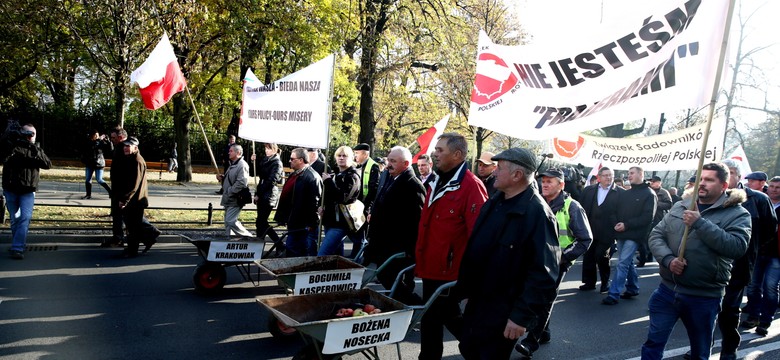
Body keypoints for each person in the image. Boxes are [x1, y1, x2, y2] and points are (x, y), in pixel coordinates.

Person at [456, 148, 560, 360]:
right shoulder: (496, 201)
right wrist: (467, 292)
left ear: (517, 175)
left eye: (500, 168)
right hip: (479, 303)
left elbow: (544, 273)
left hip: (504, 312)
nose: (494, 172)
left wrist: (520, 318)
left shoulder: (538, 214)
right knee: (468, 349)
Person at [640, 162, 751, 360]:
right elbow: (656, 235)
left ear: (724, 186)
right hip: (667, 290)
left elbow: (736, 247)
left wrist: (700, 223)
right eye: (700, 178)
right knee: (653, 343)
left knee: (700, 351)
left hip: (703, 296)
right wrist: (668, 259)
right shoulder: (681, 204)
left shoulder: (738, 214)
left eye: (709, 180)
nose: (702, 183)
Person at [415, 132, 488, 360]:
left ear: (457, 155)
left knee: (442, 315)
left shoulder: (471, 186)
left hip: (451, 271)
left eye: (439, 151)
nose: (434, 155)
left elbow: (479, 234)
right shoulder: (435, 180)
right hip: (430, 265)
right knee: (434, 317)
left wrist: (469, 274)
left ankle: (480, 351)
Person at [516, 168, 592, 358]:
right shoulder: (536, 202)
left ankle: (530, 342)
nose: (545, 184)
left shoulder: (572, 206)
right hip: (533, 262)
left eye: (550, 181)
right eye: (543, 181)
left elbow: (585, 239)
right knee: (533, 296)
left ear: (562, 184)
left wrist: (562, 258)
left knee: (544, 300)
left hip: (557, 264)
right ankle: (544, 332)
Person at [711, 160, 775, 357]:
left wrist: (749, 249)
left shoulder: (758, 200)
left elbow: (768, 230)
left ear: (739, 176)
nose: (726, 177)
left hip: (739, 265)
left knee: (729, 311)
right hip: (709, 264)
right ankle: (702, 346)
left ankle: (729, 350)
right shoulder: (708, 197)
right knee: (706, 311)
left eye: (730, 173)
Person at [362, 146, 426, 305]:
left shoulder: (413, 185)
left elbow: (416, 221)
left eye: (393, 161)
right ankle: (405, 306)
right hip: (383, 243)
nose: (388, 164)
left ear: (405, 163)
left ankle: (416, 306)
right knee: (386, 278)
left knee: (389, 278)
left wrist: (409, 250)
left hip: (397, 247)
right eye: (388, 160)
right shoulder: (390, 176)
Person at [602, 166, 656, 305]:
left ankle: (613, 294)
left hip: (635, 235)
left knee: (622, 263)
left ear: (641, 174)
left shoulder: (649, 194)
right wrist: (617, 224)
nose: (629, 176)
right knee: (627, 262)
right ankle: (632, 288)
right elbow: (614, 211)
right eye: (628, 173)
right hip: (621, 233)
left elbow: (647, 218)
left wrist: (627, 224)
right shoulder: (626, 194)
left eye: (631, 173)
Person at [2, 122, 52, 260]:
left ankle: (17, 247)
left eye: (33, 134)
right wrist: (10, 142)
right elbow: (3, 158)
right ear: (21, 134)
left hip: (28, 190)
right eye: (28, 134)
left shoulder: (35, 149)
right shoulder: (12, 146)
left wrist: (33, 148)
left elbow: (48, 164)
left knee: (25, 217)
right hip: (11, 188)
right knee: (15, 219)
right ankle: (19, 244)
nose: (31, 137)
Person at [742, 175, 780, 337]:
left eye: (778, 187)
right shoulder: (758, 201)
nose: (773, 189)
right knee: (752, 286)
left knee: (770, 288)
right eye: (772, 186)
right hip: (758, 252)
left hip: (777, 255)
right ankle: (753, 316)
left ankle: (765, 322)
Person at [113, 137, 160, 258]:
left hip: (136, 200)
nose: (125, 148)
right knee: (133, 226)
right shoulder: (131, 159)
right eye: (124, 146)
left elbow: (133, 184)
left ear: (135, 147)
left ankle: (133, 250)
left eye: (128, 146)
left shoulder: (137, 161)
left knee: (133, 228)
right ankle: (148, 238)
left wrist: (124, 200)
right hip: (134, 200)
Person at [579, 167, 624, 293]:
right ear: (599, 177)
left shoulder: (620, 192)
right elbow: (581, 207)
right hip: (589, 229)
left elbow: (623, 212)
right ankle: (589, 282)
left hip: (607, 231)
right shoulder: (589, 190)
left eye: (611, 175)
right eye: (605, 175)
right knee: (588, 256)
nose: (608, 178)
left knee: (601, 256)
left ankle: (605, 282)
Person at [274, 148, 322, 257]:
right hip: (293, 220)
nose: (289, 161)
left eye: (292, 159)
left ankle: (296, 271)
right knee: (294, 248)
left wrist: (312, 223)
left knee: (294, 248)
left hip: (301, 222)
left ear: (301, 160)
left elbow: (314, 202)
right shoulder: (295, 174)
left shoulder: (311, 177)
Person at [318, 146, 361, 256]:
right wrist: (321, 206)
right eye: (339, 156)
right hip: (329, 220)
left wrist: (328, 182)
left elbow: (343, 198)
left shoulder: (353, 176)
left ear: (351, 158)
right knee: (336, 255)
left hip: (341, 223)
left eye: (344, 156)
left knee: (323, 254)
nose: (341, 158)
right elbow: (327, 196)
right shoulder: (335, 175)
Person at [216, 144, 253, 237]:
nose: (229, 152)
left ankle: (248, 237)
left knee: (230, 220)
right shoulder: (233, 164)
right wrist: (223, 178)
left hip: (235, 198)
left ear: (238, 153)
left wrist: (230, 191)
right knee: (227, 222)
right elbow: (233, 179)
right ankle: (229, 240)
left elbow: (241, 182)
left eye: (231, 151)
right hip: (229, 197)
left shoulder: (242, 165)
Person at [351, 143, 379, 258]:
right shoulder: (359, 165)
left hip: (365, 205)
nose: (355, 156)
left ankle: (359, 257)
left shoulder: (373, 166)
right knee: (357, 232)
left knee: (361, 233)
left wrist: (366, 207)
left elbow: (373, 188)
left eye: (357, 153)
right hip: (359, 205)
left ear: (364, 154)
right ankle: (357, 255)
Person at [252, 143, 283, 244]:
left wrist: (259, 194)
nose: (266, 150)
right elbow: (256, 174)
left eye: (269, 148)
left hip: (269, 195)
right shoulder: (266, 159)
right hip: (262, 192)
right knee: (260, 222)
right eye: (265, 148)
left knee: (262, 221)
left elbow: (271, 181)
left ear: (274, 150)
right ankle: (259, 242)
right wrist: (253, 162)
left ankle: (278, 243)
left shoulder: (277, 162)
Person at [105, 126, 128, 248]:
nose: (111, 140)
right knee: (119, 214)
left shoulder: (124, 148)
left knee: (120, 214)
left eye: (113, 138)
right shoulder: (119, 147)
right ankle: (118, 237)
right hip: (118, 187)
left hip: (121, 188)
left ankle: (118, 237)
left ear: (120, 137)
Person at [643, 175, 672, 267]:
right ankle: (645, 254)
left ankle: (650, 255)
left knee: (654, 236)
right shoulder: (647, 191)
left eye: (654, 181)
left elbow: (669, 204)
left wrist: (655, 204)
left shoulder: (664, 192)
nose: (652, 183)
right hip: (647, 217)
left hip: (658, 218)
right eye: (651, 181)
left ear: (659, 183)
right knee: (645, 237)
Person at [80, 130, 112, 199]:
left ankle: (110, 192)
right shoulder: (88, 142)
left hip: (99, 163)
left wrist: (108, 141)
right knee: (88, 179)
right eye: (95, 135)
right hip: (89, 163)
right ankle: (88, 195)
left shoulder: (101, 142)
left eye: (98, 135)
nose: (97, 137)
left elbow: (110, 149)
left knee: (99, 179)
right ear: (92, 136)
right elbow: (88, 148)